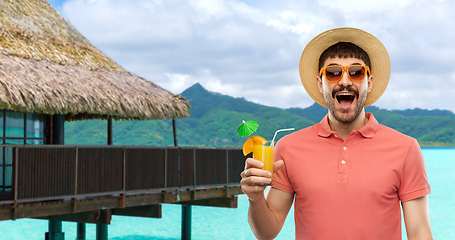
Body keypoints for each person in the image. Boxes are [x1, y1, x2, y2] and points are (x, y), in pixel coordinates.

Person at [240, 27, 433, 240]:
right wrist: (255, 198)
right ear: (319, 83)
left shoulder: (405, 148)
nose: (344, 81)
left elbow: (419, 232)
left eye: (356, 72)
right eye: (332, 73)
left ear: (369, 82)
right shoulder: (288, 147)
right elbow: (266, 233)